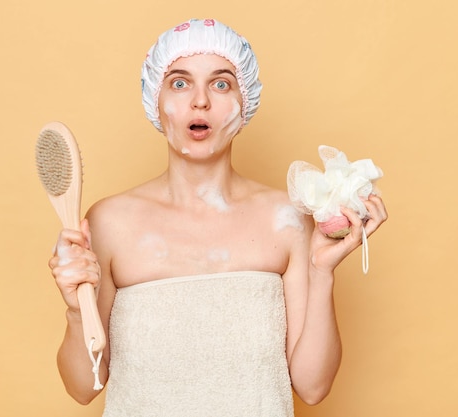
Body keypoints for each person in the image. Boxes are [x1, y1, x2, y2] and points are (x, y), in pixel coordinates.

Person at [47, 18, 387, 417]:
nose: (201, 101)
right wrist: (76, 310)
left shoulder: (288, 219)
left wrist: (322, 271)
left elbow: (312, 389)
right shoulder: (107, 223)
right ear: (155, 101)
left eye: (221, 83)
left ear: (246, 103)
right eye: (179, 82)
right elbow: (84, 388)